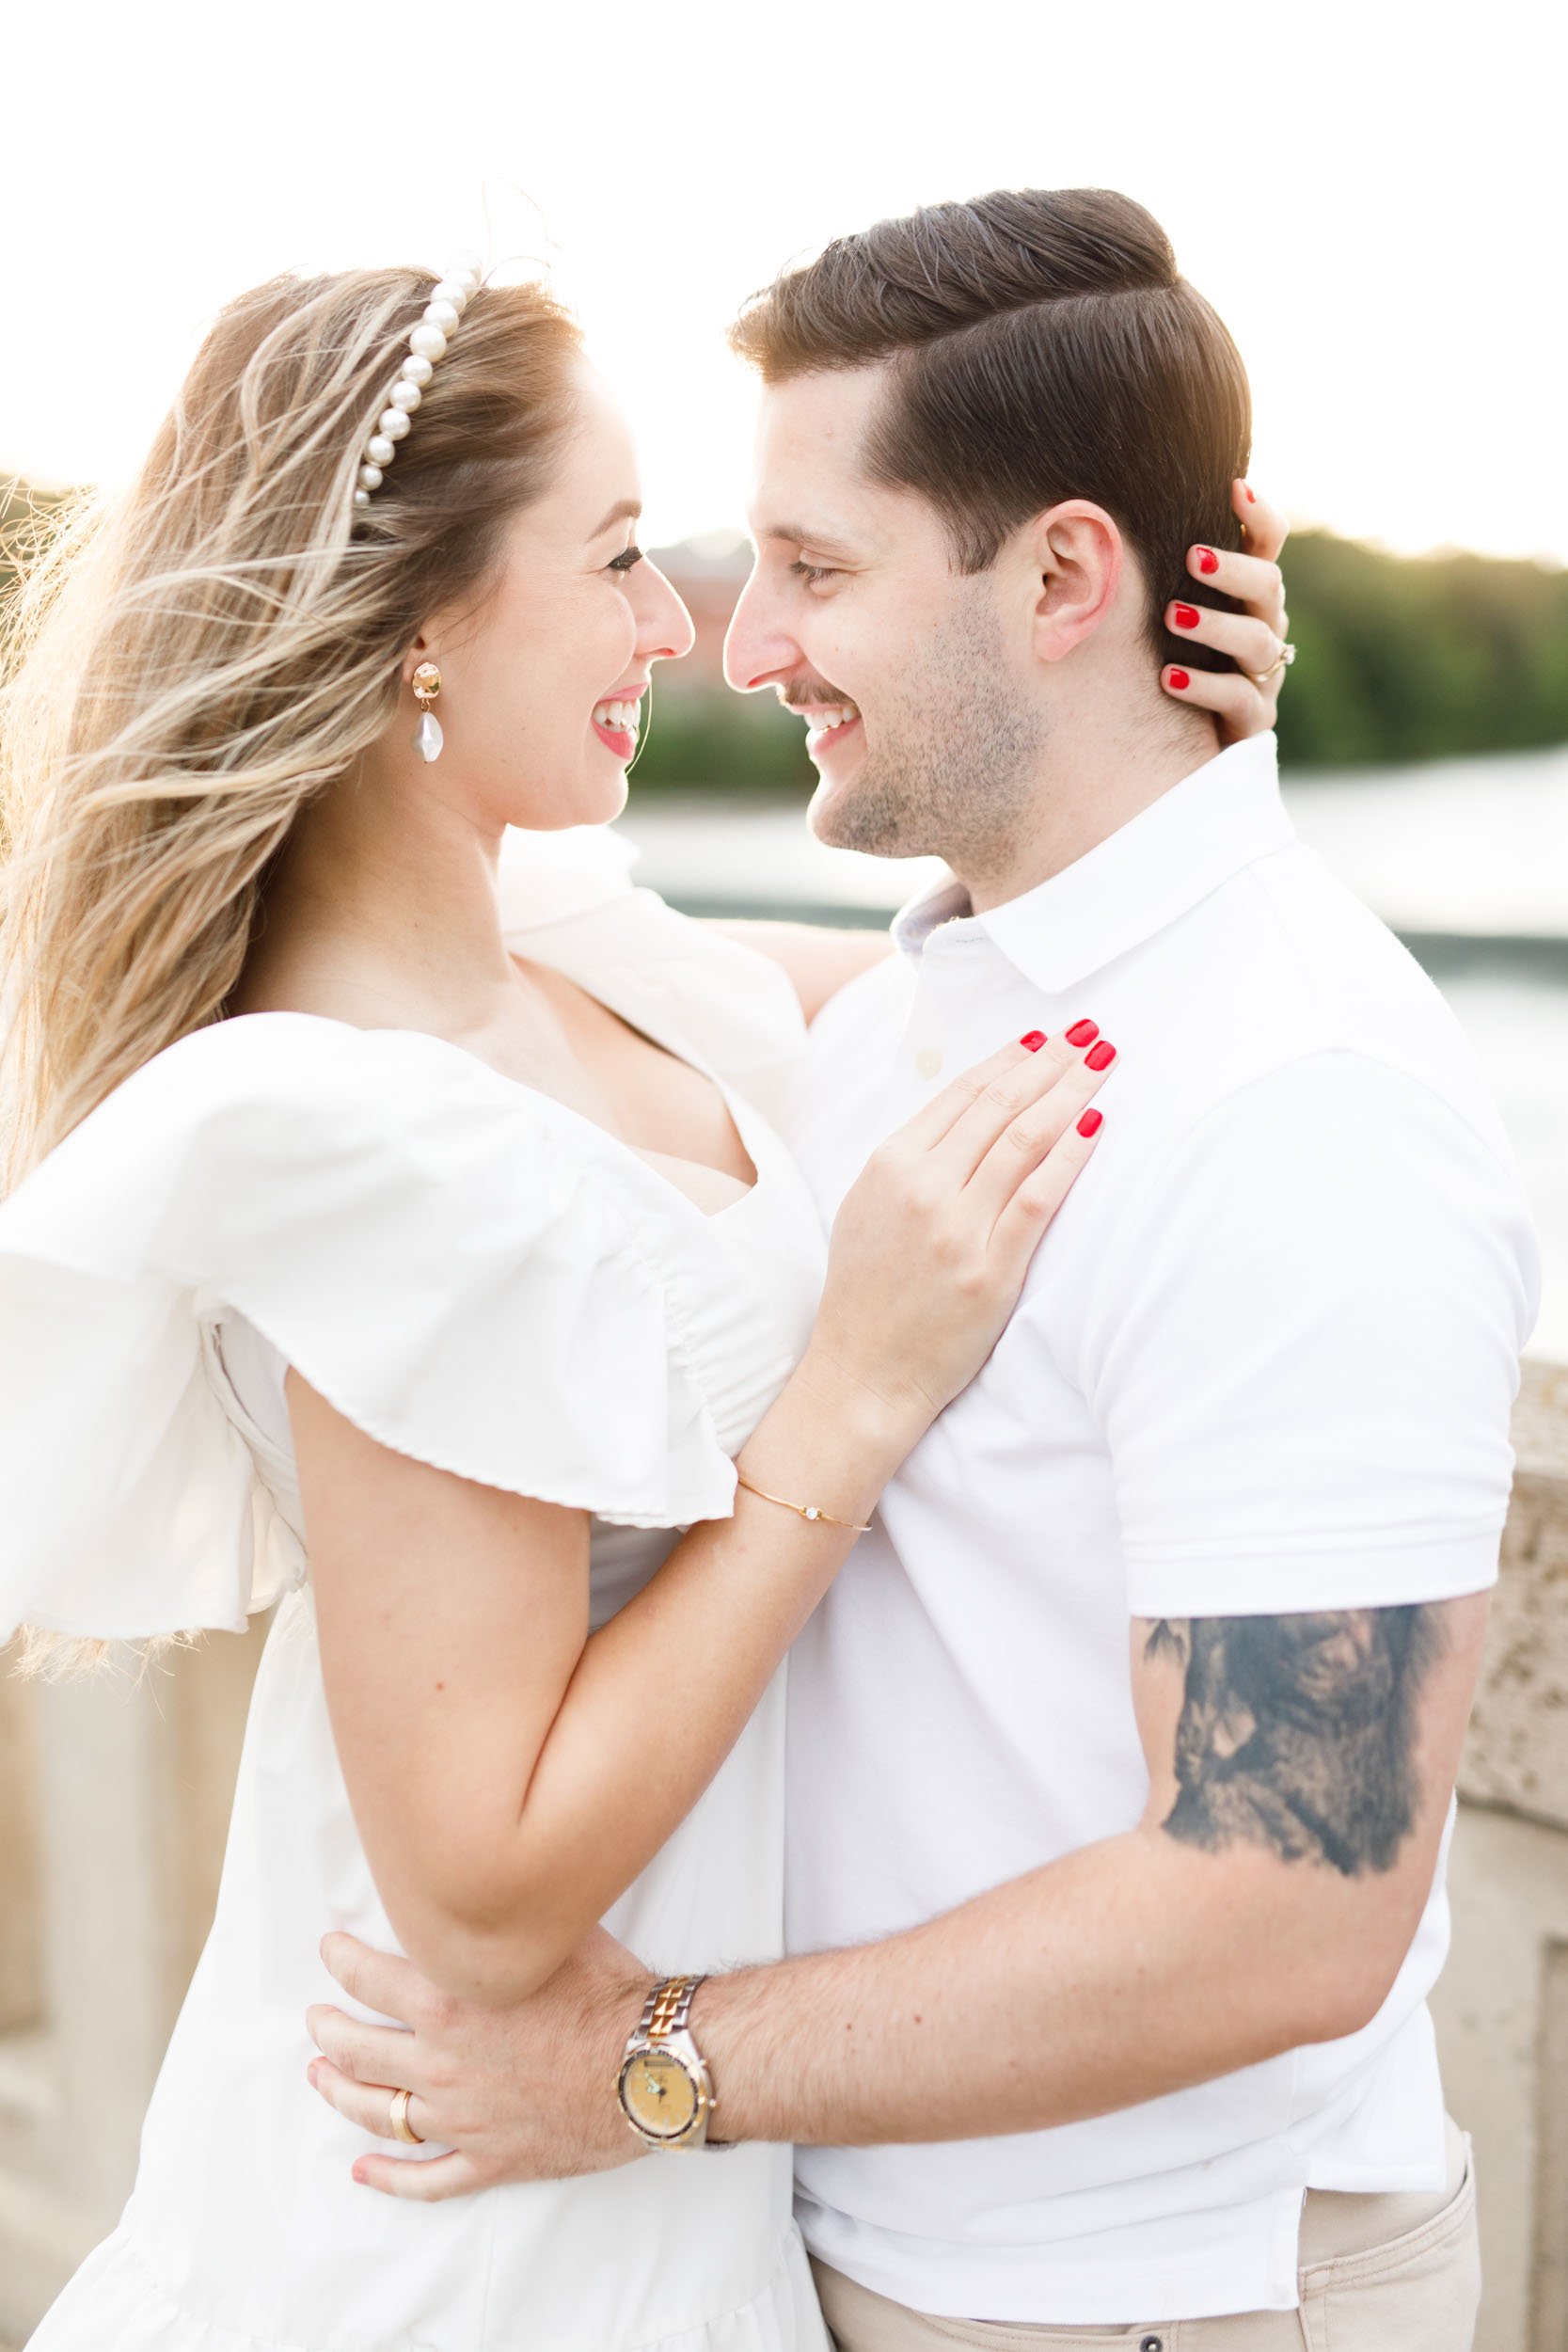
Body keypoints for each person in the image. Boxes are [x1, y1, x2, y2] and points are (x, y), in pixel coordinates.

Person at [0, 232, 1283, 2352]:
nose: (677, 623)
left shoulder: (580, 951)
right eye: (611, 557)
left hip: (657, 2194)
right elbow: (483, 1886)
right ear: (419, 622)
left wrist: (1163, 756)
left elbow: (1004, 1019)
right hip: (469, 2234)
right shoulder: (370, 1137)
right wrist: (849, 1399)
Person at [299, 194, 1540, 2351]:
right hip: (879, 2261)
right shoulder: (929, 994)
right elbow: (466, 984)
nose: (744, 638)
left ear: (1062, 576)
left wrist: (634, 2063)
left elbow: (1287, 1905)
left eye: (815, 568)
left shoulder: (1305, 1098)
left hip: (1160, 2309)